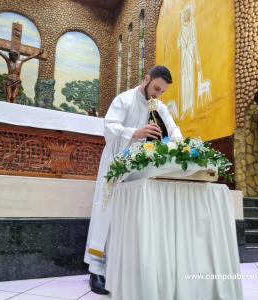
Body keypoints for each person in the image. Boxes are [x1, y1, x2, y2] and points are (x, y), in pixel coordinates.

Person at [84, 66, 183, 295]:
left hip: (140, 167)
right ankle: (97, 270)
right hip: (116, 164)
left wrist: (179, 144)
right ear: (146, 79)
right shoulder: (125, 100)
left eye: (163, 91)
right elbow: (109, 128)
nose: (158, 94)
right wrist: (136, 132)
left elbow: (173, 128)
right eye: (157, 88)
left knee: (132, 213)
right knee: (107, 213)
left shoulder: (158, 105)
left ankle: (124, 265)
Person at [0, 34, 43, 103]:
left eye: (15, 55)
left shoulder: (20, 61)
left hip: (17, 80)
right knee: (9, 96)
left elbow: (30, 57)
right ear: (10, 55)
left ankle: (13, 109)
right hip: (9, 80)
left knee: (14, 97)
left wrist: (38, 53)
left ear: (17, 55)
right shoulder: (8, 60)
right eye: (12, 55)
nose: (13, 56)